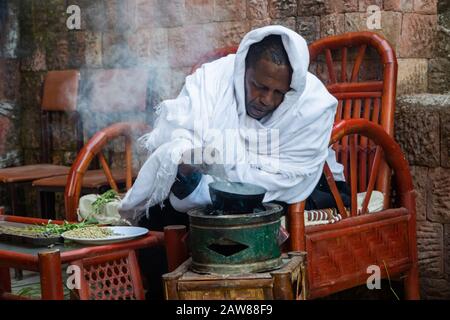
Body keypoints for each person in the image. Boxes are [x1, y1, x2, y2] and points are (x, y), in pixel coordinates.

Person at [118, 25, 350, 299]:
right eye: (259, 86)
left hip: (299, 188)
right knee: (158, 213)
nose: (266, 99)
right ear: (243, 70)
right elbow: (178, 134)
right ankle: (168, 295)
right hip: (212, 180)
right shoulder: (213, 79)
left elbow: (291, 174)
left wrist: (225, 168)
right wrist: (192, 157)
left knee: (241, 211)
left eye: (279, 93)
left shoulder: (312, 104)